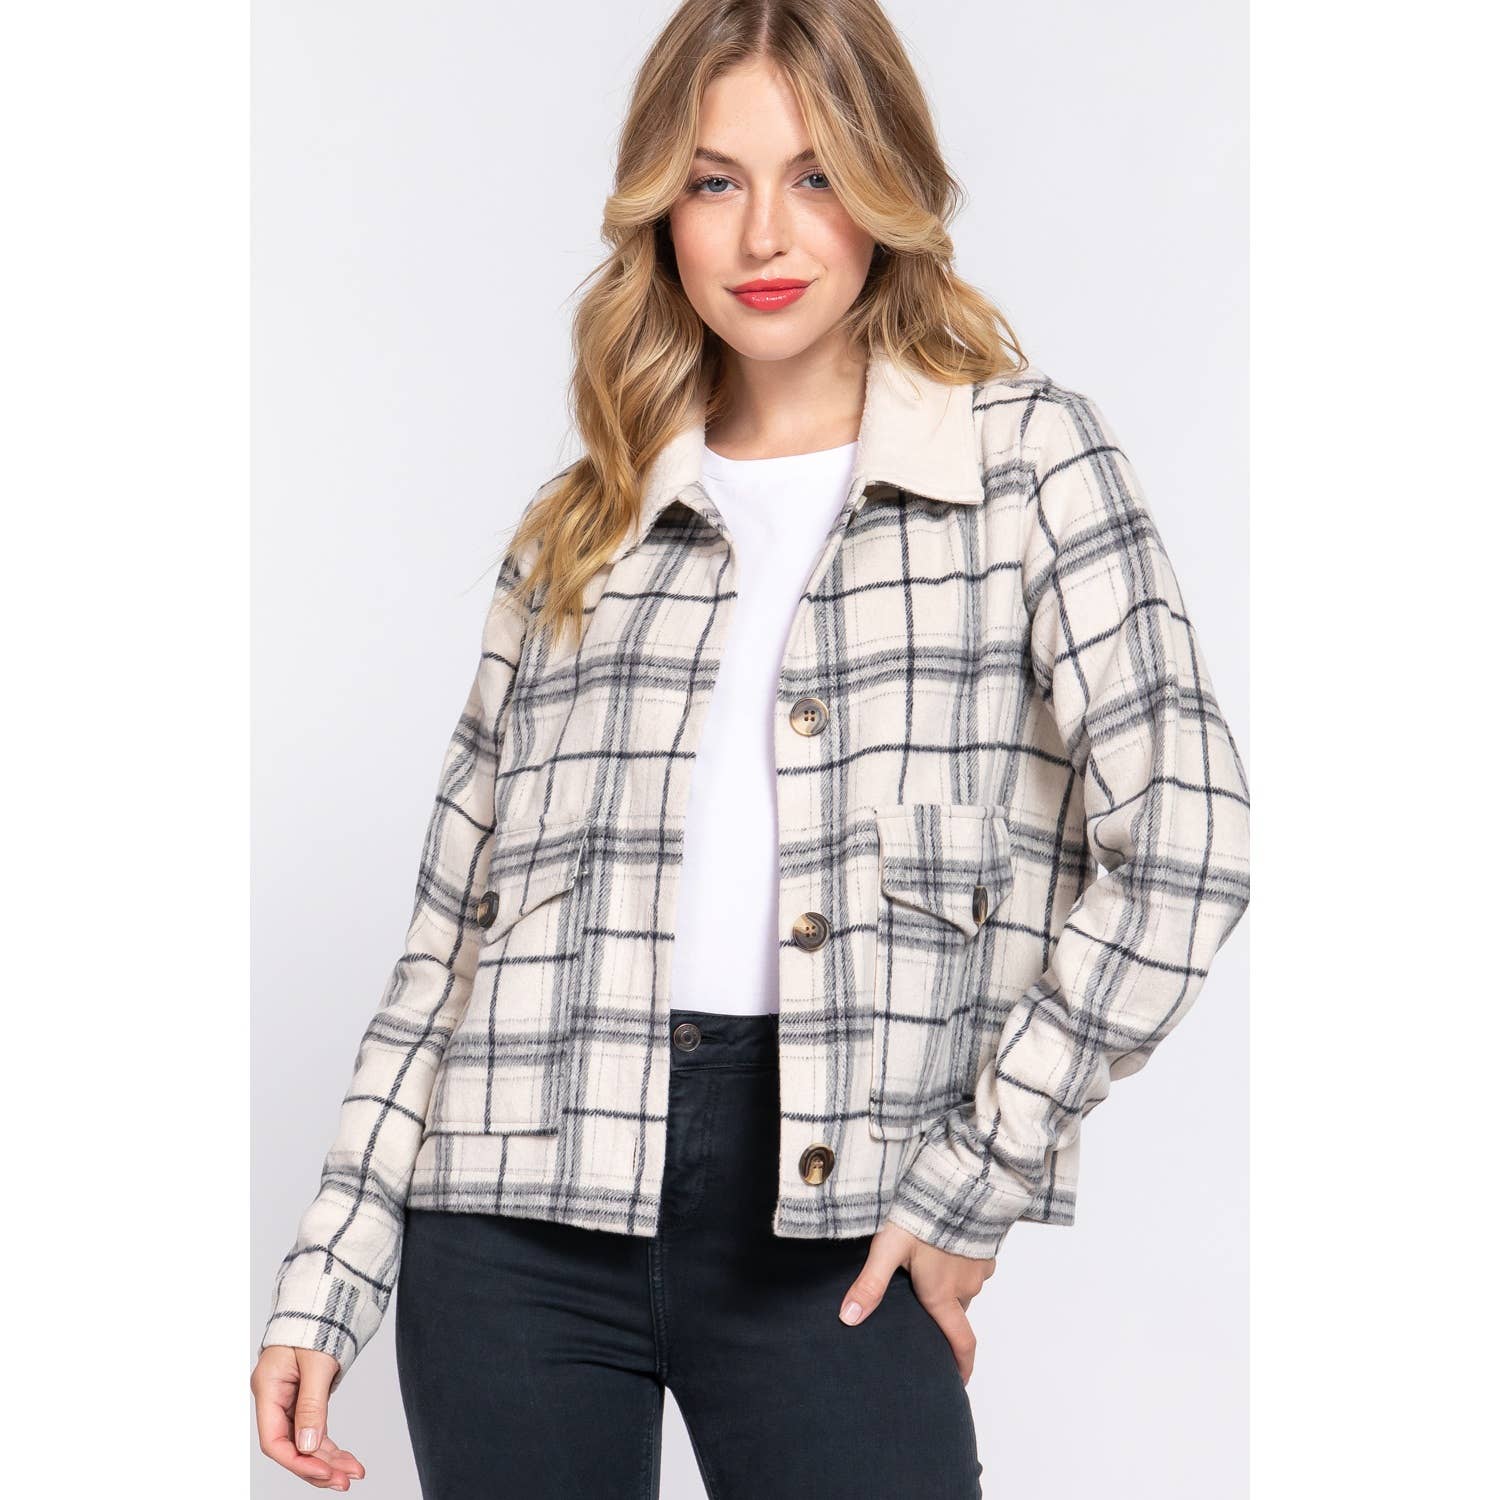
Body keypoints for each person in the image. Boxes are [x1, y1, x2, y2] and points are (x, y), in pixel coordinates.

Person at [250, 2, 1251, 1494]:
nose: (765, 233)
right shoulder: (581, 526)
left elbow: (1187, 845)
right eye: (716, 180)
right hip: (512, 1213)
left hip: (834, 1220)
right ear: (662, 207)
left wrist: (979, 1172)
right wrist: (329, 1271)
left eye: (819, 174)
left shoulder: (1027, 463)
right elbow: (450, 941)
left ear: (889, 188)